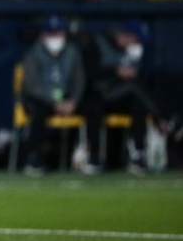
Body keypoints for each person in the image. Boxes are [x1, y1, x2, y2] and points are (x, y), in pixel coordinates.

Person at [84, 20, 171, 175]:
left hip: (122, 96)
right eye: (135, 39)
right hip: (99, 94)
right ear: (124, 35)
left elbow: (141, 79)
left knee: (138, 103)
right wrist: (116, 71)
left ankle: (138, 154)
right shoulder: (97, 43)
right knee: (130, 89)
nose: (137, 43)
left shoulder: (134, 52)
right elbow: (90, 74)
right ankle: (94, 157)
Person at [20, 14, 91, 176]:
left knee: (93, 106)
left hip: (68, 99)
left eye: (58, 33)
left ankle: (92, 157)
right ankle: (34, 158)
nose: (55, 37)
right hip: (43, 99)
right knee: (38, 111)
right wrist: (54, 103)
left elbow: (80, 80)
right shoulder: (33, 53)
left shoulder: (73, 52)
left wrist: (73, 101)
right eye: (51, 33)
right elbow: (31, 86)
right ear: (43, 35)